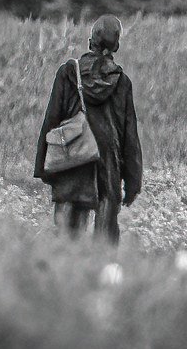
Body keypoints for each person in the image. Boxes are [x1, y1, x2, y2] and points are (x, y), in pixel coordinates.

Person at [33, 15, 143, 243]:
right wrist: (133, 182)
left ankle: (69, 275)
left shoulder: (68, 72)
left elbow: (52, 121)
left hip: (73, 160)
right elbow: (129, 135)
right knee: (105, 242)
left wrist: (44, 167)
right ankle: (102, 275)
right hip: (108, 164)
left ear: (90, 41)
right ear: (116, 46)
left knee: (67, 241)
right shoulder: (122, 82)